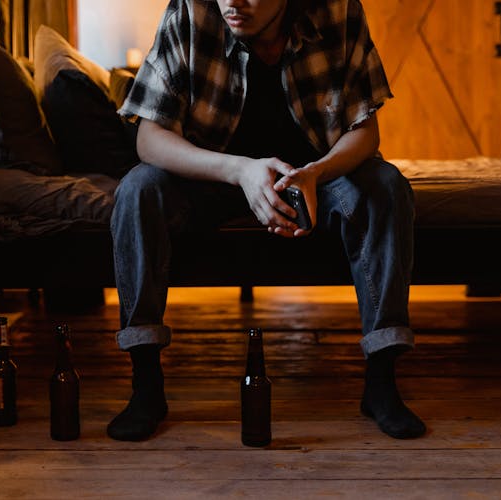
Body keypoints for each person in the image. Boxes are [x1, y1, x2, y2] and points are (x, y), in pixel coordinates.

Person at [107, 0, 426, 441]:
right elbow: (149, 136)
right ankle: (146, 385)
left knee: (387, 185)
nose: (233, 2)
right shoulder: (190, 10)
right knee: (137, 189)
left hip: (314, 175)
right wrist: (238, 170)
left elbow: (365, 130)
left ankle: (381, 382)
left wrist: (315, 173)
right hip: (216, 174)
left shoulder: (336, 11)